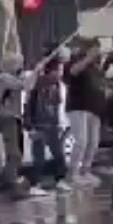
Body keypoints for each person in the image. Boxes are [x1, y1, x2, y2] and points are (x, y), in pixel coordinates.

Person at [0, 53, 52, 200]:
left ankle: (8, 180)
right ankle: (10, 183)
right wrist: (36, 70)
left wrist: (35, 72)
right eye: (18, 63)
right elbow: (25, 86)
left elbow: (27, 84)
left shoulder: (9, 78)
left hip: (12, 118)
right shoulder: (4, 78)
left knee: (16, 153)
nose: (21, 66)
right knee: (14, 154)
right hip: (7, 118)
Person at [24, 57, 71, 195]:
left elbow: (56, 106)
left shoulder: (56, 85)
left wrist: (59, 122)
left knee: (58, 154)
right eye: (59, 70)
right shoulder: (39, 83)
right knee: (39, 156)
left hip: (52, 125)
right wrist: (30, 126)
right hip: (39, 124)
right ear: (51, 71)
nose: (61, 74)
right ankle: (35, 184)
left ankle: (60, 180)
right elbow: (30, 104)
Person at [65, 39, 107, 185]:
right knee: (81, 140)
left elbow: (101, 86)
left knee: (93, 141)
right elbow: (72, 72)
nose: (98, 52)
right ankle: (72, 173)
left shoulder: (96, 68)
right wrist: (88, 58)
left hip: (94, 108)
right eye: (95, 49)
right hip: (78, 106)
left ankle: (85, 170)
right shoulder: (76, 62)